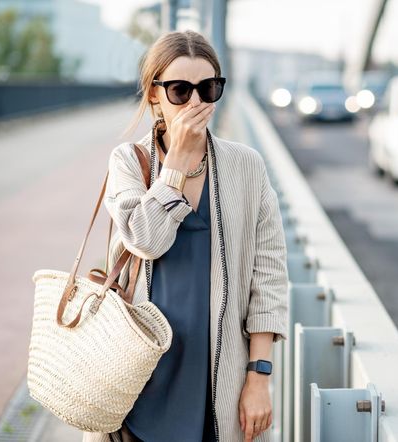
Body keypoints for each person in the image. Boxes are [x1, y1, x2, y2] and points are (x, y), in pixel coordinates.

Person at [81, 30, 288, 442]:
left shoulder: (246, 166)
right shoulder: (129, 161)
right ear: (154, 94)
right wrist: (175, 163)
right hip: (140, 373)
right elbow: (145, 240)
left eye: (208, 88)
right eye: (180, 90)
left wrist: (259, 376)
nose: (196, 103)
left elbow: (268, 277)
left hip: (220, 376)